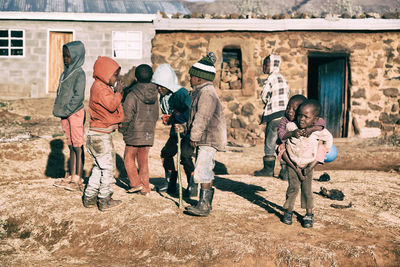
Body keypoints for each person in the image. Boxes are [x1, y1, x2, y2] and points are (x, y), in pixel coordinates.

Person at [176, 52, 227, 217]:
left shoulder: (207, 93)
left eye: (192, 77)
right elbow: (194, 119)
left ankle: (204, 205)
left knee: (203, 169)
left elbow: (202, 117)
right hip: (205, 138)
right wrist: (184, 128)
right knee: (205, 168)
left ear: (199, 78)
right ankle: (205, 203)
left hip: (208, 138)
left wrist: (194, 137)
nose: (190, 80)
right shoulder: (201, 92)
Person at [281, 99, 333, 228]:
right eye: (300, 115)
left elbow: (329, 139)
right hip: (293, 164)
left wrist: (323, 152)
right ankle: (288, 211)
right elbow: (283, 136)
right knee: (293, 188)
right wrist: (292, 134)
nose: (302, 119)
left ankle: (309, 214)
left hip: (308, 165)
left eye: (306, 117)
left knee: (307, 191)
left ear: (315, 120)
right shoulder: (291, 126)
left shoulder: (317, 131)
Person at [82, 56, 125, 211]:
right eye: (115, 75)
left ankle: (89, 196)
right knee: (108, 169)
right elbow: (112, 105)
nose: (117, 79)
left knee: (99, 167)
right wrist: (119, 92)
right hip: (100, 137)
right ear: (104, 73)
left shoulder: (100, 87)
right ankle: (104, 198)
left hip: (96, 135)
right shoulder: (100, 88)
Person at [151, 64, 196, 196]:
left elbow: (191, 112)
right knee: (166, 153)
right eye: (157, 86)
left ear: (169, 84)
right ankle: (170, 182)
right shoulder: (163, 96)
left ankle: (192, 184)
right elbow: (168, 114)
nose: (159, 89)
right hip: (175, 133)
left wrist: (182, 122)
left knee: (185, 155)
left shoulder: (181, 94)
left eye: (162, 86)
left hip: (187, 133)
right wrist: (168, 119)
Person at [119, 64, 159, 196]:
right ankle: (145, 186)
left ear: (135, 78)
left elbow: (127, 116)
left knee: (128, 157)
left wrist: (123, 130)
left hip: (133, 132)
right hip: (148, 132)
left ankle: (135, 184)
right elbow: (156, 115)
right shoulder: (154, 94)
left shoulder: (132, 94)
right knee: (143, 160)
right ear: (151, 78)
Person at [52, 40, 86, 191]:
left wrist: (68, 109)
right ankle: (72, 176)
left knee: (78, 145)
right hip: (65, 114)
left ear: (77, 56)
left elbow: (78, 96)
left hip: (75, 113)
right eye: (64, 56)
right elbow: (60, 93)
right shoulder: (64, 73)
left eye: (69, 56)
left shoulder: (79, 73)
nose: (66, 59)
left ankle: (78, 178)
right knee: (71, 144)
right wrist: (60, 109)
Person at [254, 55, 290, 177]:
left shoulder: (270, 79)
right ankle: (285, 170)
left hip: (274, 115)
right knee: (282, 141)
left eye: (266, 64)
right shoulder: (283, 78)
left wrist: (266, 102)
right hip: (285, 115)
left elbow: (264, 96)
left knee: (270, 141)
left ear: (273, 65)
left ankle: (268, 170)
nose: (263, 67)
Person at [277, 94, 326, 180]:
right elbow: (281, 135)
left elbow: (322, 123)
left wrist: (311, 129)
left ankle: (309, 168)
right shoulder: (285, 120)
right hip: (290, 148)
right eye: (288, 108)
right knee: (280, 148)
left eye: (294, 109)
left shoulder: (304, 119)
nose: (289, 111)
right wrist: (291, 133)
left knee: (321, 148)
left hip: (305, 150)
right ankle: (291, 169)